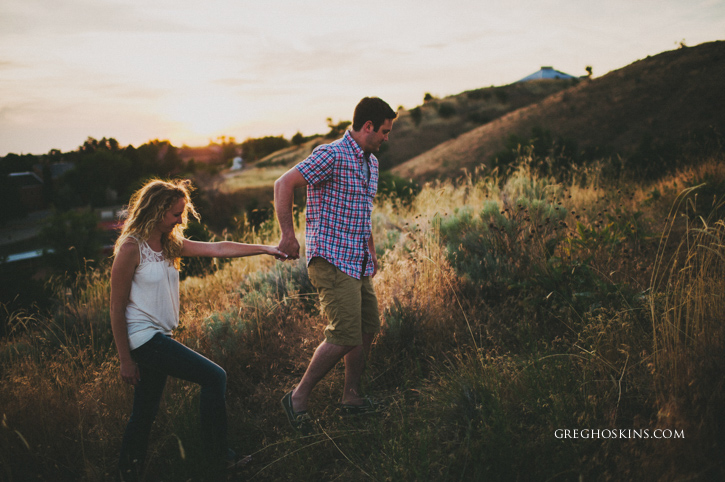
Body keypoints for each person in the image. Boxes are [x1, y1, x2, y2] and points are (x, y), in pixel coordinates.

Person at [110, 178, 284, 480]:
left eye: (181, 213)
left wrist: (266, 248)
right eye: (175, 214)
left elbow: (217, 248)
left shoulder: (168, 244)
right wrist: (125, 359)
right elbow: (115, 307)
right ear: (156, 210)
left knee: (145, 412)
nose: (180, 219)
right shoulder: (130, 247)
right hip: (143, 339)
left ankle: (127, 472)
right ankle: (219, 459)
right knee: (214, 377)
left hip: (158, 337)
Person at [274, 97, 397, 432]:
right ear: (368, 126)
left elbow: (362, 211)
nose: (387, 137)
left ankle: (351, 397)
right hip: (330, 258)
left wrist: (370, 248)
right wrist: (288, 236)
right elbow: (283, 184)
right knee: (344, 334)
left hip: (356, 259)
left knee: (367, 326)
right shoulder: (332, 154)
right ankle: (297, 398)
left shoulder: (370, 163)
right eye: (384, 131)